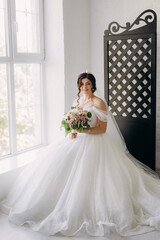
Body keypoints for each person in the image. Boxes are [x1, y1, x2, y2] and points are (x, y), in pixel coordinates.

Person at [0, 72, 160, 237]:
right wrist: (71, 131)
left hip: (96, 143)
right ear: (79, 86)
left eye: (88, 83)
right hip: (76, 141)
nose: (84, 87)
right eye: (82, 84)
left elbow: (102, 129)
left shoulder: (99, 103)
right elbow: (71, 122)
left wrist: (82, 129)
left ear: (93, 85)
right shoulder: (77, 100)